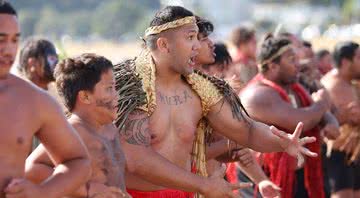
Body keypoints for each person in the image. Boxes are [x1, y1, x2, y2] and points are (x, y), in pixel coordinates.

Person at [114, 6, 318, 198]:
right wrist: (203, 185)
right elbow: (137, 159)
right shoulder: (132, 88)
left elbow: (246, 130)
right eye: (190, 37)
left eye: (197, 37)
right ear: (163, 44)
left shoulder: (202, 89)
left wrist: (281, 142)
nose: (197, 45)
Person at [0, 1, 90, 197]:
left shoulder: (34, 101)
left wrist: (43, 192)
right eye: (1, 39)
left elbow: (78, 162)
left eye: (14, 40)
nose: (8, 50)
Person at [240, 34, 339, 198]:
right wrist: (323, 102)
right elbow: (302, 121)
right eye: (292, 60)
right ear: (273, 66)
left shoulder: (294, 86)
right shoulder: (258, 94)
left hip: (299, 175)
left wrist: (331, 123)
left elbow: (318, 113)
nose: (298, 65)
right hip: (266, 179)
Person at [193, 17, 281, 198]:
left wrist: (261, 180)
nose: (232, 76)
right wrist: (233, 143)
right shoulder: (187, 97)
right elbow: (189, 155)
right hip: (192, 186)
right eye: (202, 39)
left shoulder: (217, 95)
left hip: (216, 183)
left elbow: (240, 144)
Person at [25, 53, 130, 197]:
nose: (117, 95)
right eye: (109, 88)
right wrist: (86, 189)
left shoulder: (110, 128)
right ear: (85, 97)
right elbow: (31, 169)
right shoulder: (74, 131)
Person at [321, 41, 360, 198]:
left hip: (354, 153)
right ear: (345, 62)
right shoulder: (330, 86)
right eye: (359, 57)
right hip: (337, 155)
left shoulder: (351, 82)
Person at [225, 25, 258, 91]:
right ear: (242, 45)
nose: (256, 46)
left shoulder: (251, 61)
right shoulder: (238, 64)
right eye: (253, 43)